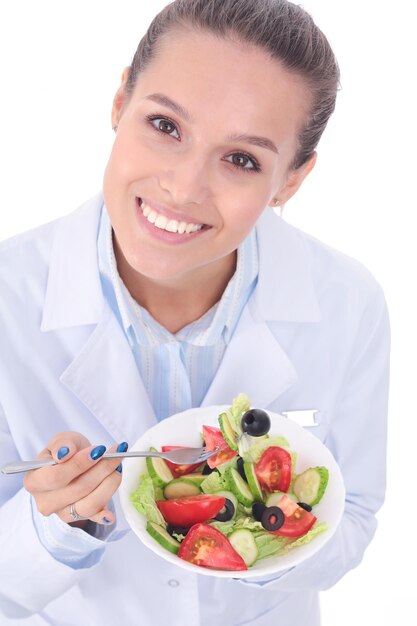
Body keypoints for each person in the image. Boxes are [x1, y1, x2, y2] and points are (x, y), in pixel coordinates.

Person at [0, 1, 389, 625]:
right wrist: (57, 527)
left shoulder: (349, 303)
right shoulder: (8, 298)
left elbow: (356, 517)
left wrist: (267, 525)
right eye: (164, 124)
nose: (183, 188)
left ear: (291, 180)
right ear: (120, 100)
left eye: (242, 160)